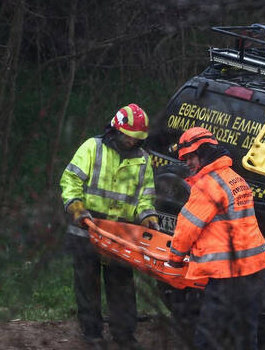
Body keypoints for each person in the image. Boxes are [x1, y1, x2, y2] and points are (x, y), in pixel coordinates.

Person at [166, 127, 265, 350]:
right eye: (185, 158)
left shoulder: (208, 186)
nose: (188, 163)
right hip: (254, 270)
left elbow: (187, 227)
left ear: (205, 153)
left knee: (208, 338)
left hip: (228, 276)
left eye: (191, 157)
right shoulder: (236, 179)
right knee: (245, 337)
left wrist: (174, 259)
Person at [60, 103, 158, 349]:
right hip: (86, 228)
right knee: (87, 285)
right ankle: (92, 335)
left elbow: (144, 197)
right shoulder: (92, 148)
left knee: (122, 285)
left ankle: (124, 336)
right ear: (116, 129)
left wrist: (148, 216)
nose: (131, 142)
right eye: (128, 136)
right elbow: (70, 179)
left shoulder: (143, 160)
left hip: (120, 235)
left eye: (136, 139)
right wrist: (76, 207)